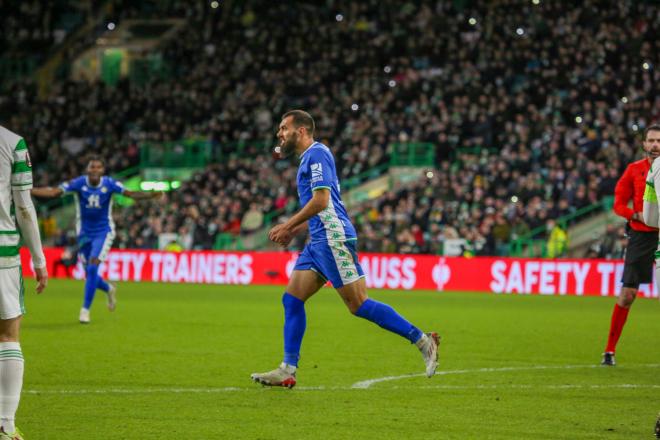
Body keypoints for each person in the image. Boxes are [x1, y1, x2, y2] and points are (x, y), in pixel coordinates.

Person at [251, 111, 439, 388]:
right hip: (317, 241)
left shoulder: (317, 154)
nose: (279, 134)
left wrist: (288, 226)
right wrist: (297, 230)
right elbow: (321, 208)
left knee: (358, 304)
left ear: (301, 131)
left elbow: (322, 201)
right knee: (291, 300)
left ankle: (423, 341)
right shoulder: (309, 159)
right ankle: (287, 369)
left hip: (332, 239)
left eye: (284, 128)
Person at [31, 156, 162, 324]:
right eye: (92, 167)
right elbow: (54, 192)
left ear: (102, 170)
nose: (94, 170)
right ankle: (108, 288)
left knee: (93, 266)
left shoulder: (109, 184)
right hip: (84, 233)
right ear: (88, 169)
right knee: (90, 274)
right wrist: (29, 190)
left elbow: (131, 194)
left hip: (103, 232)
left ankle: (85, 311)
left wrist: (150, 195)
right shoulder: (79, 183)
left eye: (98, 167)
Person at [0, 125, 48, 440]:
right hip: (2, 252)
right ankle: (5, 424)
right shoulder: (12, 142)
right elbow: (24, 206)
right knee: (8, 335)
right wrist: (39, 259)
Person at [602, 124, 660, 366]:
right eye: (651, 140)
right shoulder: (634, 170)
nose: (655, 145)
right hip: (642, 236)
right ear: (644, 144)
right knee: (628, 295)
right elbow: (617, 204)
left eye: (659, 140)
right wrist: (634, 214)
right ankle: (609, 350)